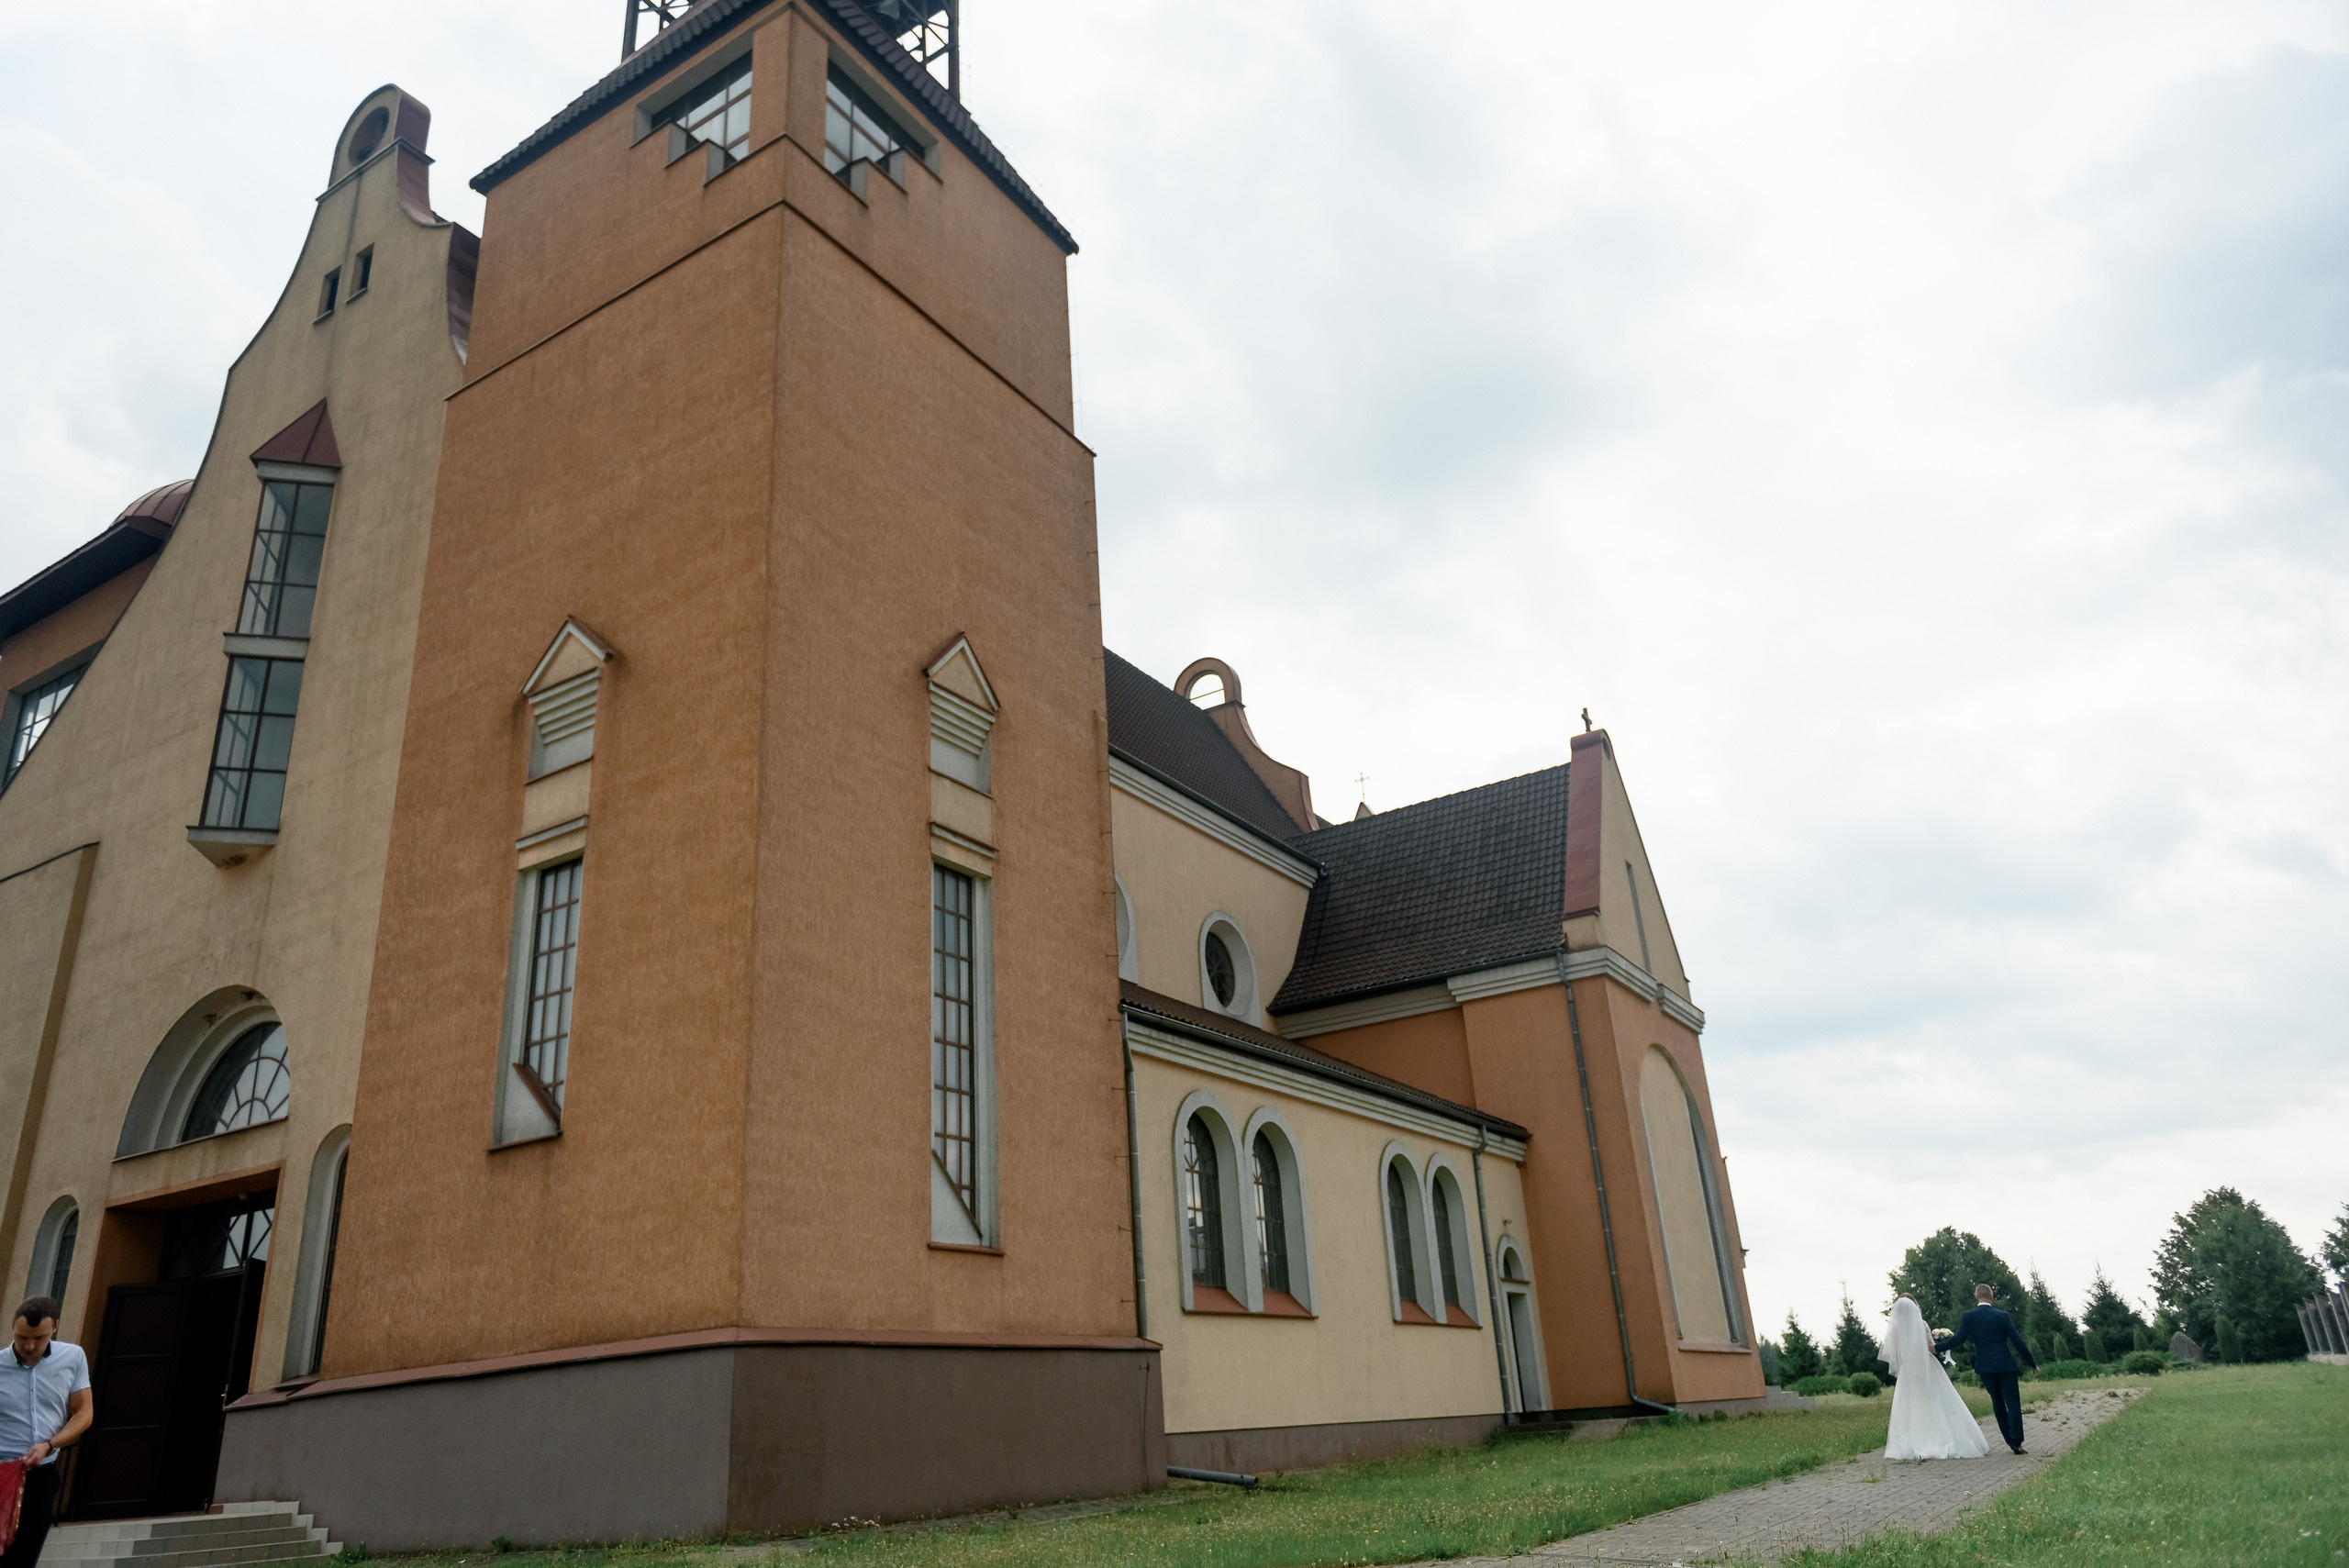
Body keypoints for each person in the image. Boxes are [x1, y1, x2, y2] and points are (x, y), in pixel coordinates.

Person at [1, 1296, 94, 1568]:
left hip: (41, 1473)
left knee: (24, 1557)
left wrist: (49, 1445)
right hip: (2, 1469)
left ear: (55, 1327)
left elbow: (83, 1413)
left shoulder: (73, 1357)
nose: (29, 1346)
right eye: (22, 1337)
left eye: (38, 1338)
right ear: (12, 1328)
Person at [1882, 1294, 1987, 1459]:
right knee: (1935, 1401)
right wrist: (1944, 1343)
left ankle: (1909, 1444)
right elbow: (1930, 1348)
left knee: (1911, 1404)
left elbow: (1895, 1352)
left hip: (1908, 1369)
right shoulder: (1921, 1324)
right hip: (1926, 1365)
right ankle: (1939, 1438)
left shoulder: (1895, 1328)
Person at [1939, 1282, 2038, 1453]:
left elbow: (1958, 1339)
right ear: (1992, 1296)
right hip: (2006, 1365)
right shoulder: (2003, 1316)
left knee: (1998, 1403)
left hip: (1985, 1367)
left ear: (1976, 1296)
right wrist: (2032, 1363)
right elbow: (2017, 1341)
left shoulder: (1968, 1316)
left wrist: (1937, 1347)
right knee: (2013, 1403)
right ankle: (2017, 1441)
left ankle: (2010, 1441)